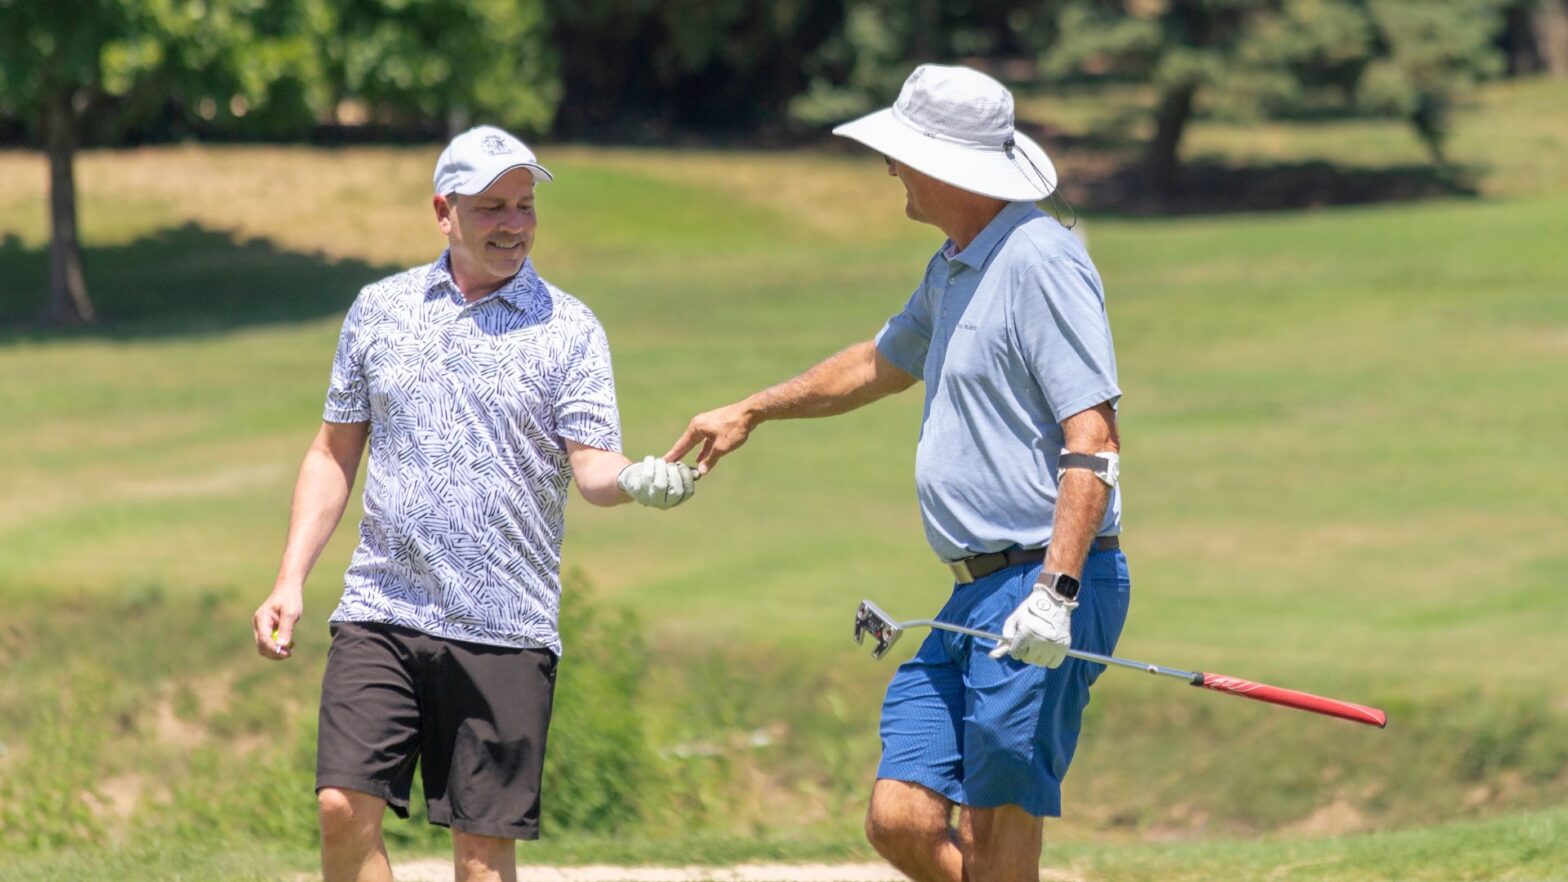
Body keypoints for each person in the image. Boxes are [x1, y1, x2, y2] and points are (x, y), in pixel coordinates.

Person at [665, 65, 1131, 882]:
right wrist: (754, 409)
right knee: (900, 819)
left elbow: (1094, 435)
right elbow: (878, 363)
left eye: (902, 153)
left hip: (1045, 582)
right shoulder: (956, 263)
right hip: (970, 592)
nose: (890, 169)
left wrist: (1056, 595)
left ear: (951, 166)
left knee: (995, 826)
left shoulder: (1040, 260)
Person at [251, 125, 696, 882]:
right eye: (492, 207)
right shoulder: (379, 309)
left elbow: (590, 466)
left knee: (482, 862)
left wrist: (636, 479)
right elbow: (333, 452)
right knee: (339, 807)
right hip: (382, 606)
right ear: (442, 211)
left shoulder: (570, 328)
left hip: (505, 622)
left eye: (525, 206)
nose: (514, 224)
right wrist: (290, 578)